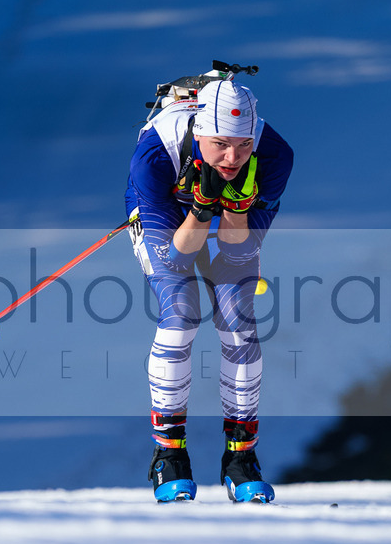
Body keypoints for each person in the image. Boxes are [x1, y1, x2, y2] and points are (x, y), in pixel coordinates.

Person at [124, 77, 294, 502]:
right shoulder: (154, 154)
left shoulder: (274, 155)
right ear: (199, 133)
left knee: (238, 321)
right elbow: (178, 259)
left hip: (226, 220)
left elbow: (237, 254)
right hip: (169, 206)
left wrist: (235, 206)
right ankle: (169, 456)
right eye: (220, 144)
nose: (232, 158)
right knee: (180, 312)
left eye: (243, 144)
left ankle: (241, 459)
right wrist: (201, 208)